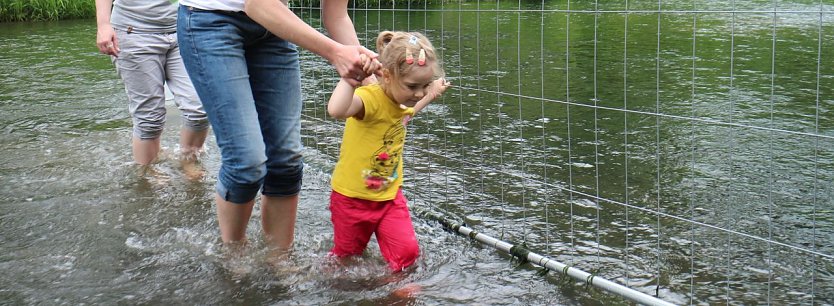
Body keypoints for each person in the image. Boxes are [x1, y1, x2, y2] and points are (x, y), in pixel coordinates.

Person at [176, 0, 379, 254]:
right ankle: (234, 254)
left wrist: (376, 92)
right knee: (246, 162)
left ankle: (280, 258)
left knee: (286, 160)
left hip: (275, 28)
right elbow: (257, 6)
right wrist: (335, 52)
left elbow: (336, 16)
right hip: (211, 22)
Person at [327, 31, 450, 271]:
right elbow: (336, 110)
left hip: (390, 198)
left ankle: (397, 286)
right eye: (413, 86)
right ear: (387, 75)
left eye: (425, 85)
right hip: (352, 199)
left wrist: (431, 93)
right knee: (347, 258)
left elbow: (406, 114)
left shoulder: (402, 103)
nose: (419, 93)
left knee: (407, 254)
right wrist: (351, 79)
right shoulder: (369, 99)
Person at [95, 0, 209, 177]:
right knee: (149, 118)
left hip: (186, 29)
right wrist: (103, 24)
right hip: (133, 32)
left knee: (200, 107)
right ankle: (148, 170)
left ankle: (188, 160)